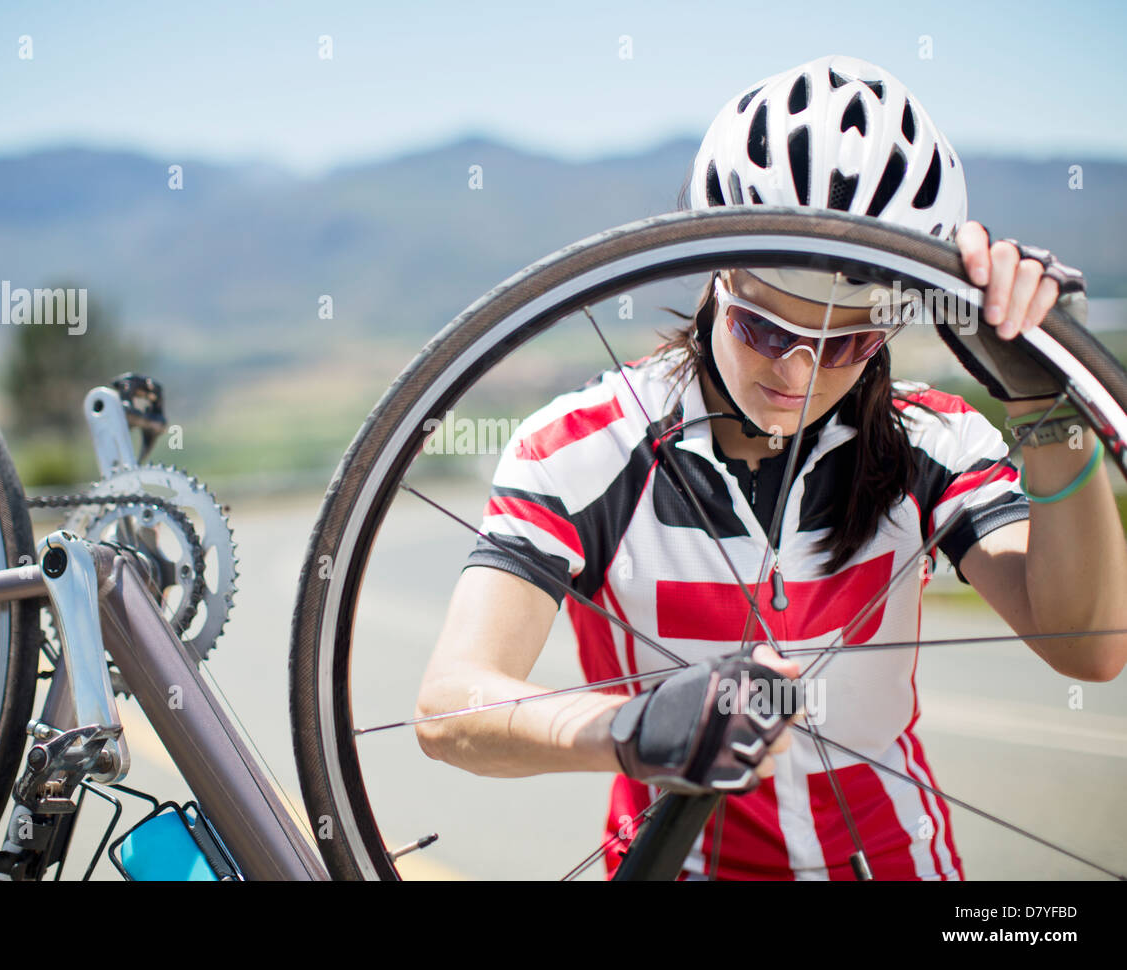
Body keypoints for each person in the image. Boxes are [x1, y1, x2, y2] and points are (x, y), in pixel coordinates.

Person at [413, 54, 1127, 880]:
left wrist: (1052, 414)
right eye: (760, 328)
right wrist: (635, 729)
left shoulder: (934, 440)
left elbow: (1091, 649)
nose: (793, 376)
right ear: (718, 277)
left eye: (846, 344)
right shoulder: (580, 448)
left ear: (891, 327)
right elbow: (445, 708)